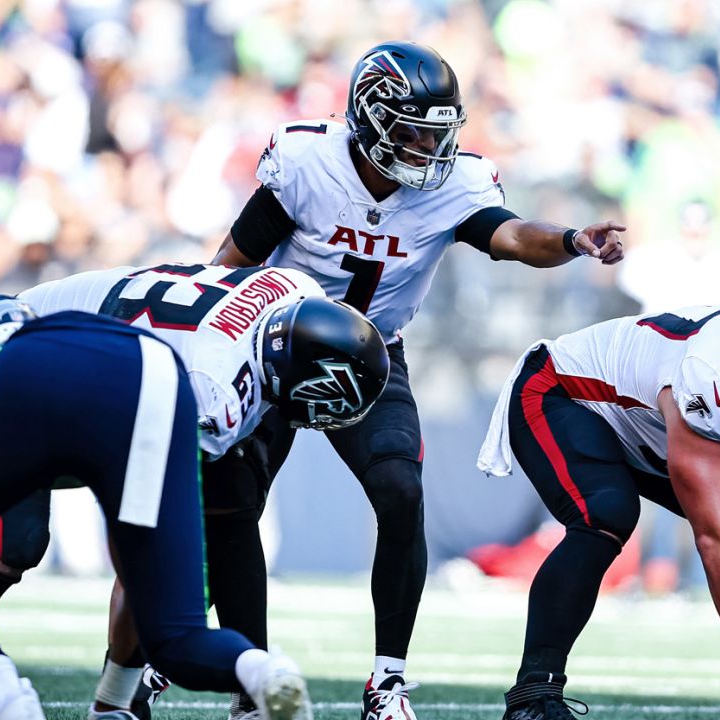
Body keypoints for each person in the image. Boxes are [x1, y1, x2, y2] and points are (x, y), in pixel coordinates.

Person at [208, 40, 626, 720]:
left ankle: (387, 681)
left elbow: (514, 235)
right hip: (272, 350)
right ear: (369, 120)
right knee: (229, 503)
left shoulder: (456, 184)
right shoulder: (309, 162)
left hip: (368, 356)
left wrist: (574, 239)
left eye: (438, 135)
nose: (428, 149)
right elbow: (231, 263)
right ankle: (250, 680)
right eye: (411, 132)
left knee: (401, 490)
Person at [0, 266, 391, 720]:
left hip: (107, 365)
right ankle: (240, 676)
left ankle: (31, 694)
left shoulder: (296, 291)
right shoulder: (219, 393)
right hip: (104, 364)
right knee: (148, 599)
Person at [477, 239, 720, 720]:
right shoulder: (719, 375)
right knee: (606, 513)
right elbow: (717, 537)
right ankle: (533, 697)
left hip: (658, 430)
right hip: (570, 394)